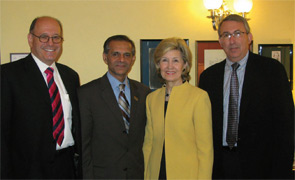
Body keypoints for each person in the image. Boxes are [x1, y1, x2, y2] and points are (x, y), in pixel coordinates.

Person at [199, 14, 294, 179]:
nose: (232, 40)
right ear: (220, 41)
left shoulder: (272, 71)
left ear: (249, 37)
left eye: (237, 33)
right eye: (226, 35)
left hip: (261, 167)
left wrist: (281, 172)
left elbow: (286, 126)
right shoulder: (209, 77)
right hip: (219, 166)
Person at [1, 16, 81, 179]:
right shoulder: (8, 75)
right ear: (31, 39)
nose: (51, 43)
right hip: (26, 170)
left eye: (56, 37)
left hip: (65, 167)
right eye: (43, 37)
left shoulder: (71, 76)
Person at [78, 35, 151, 179]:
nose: (122, 60)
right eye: (115, 54)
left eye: (127, 55)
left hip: (136, 175)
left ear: (133, 59)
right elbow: (84, 146)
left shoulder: (144, 93)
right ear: (105, 57)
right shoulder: (87, 93)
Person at [143, 37, 214, 179]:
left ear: (185, 65)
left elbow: (205, 150)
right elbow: (148, 145)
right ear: (158, 65)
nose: (170, 66)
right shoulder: (152, 99)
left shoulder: (199, 97)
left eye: (175, 60)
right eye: (164, 60)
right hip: (156, 174)